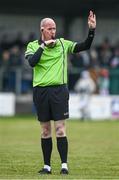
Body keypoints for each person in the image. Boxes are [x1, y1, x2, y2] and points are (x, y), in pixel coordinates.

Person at [25, 10, 96, 175]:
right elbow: (32, 63)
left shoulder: (63, 44)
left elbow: (85, 45)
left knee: (60, 129)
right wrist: (43, 46)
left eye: (54, 28)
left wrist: (91, 30)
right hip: (40, 91)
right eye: (49, 29)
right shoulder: (32, 46)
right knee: (45, 130)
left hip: (59, 90)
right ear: (42, 30)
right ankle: (47, 166)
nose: (53, 32)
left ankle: (64, 165)